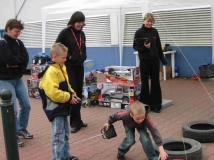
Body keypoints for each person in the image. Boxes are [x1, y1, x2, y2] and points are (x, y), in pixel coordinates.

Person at [39, 43, 79, 160]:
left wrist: (72, 93)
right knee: (58, 137)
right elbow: (54, 94)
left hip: (62, 106)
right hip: (55, 108)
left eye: (65, 57)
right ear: (54, 57)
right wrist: (69, 97)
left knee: (65, 134)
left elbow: (66, 84)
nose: (65, 59)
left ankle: (66, 155)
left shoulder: (61, 67)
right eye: (63, 57)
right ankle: (57, 158)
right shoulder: (51, 71)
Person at [0, 19, 33, 147]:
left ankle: (21, 128)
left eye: (19, 32)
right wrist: (14, 62)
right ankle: (12, 135)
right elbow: (8, 59)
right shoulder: (2, 44)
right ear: (8, 29)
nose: (18, 34)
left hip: (18, 79)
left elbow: (25, 58)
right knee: (11, 110)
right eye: (16, 31)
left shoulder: (19, 43)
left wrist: (15, 64)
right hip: (5, 81)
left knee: (26, 105)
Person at [55, 11, 87, 133]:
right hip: (69, 67)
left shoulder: (82, 34)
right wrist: (68, 57)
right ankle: (74, 122)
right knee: (73, 92)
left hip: (80, 66)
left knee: (79, 92)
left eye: (82, 22)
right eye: (78, 22)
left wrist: (83, 56)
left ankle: (78, 119)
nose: (80, 24)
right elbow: (57, 46)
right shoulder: (65, 33)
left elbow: (83, 48)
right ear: (73, 22)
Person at [103, 101, 168, 160]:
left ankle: (153, 158)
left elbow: (154, 131)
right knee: (130, 140)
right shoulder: (125, 114)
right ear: (131, 115)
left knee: (145, 139)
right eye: (138, 119)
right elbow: (115, 116)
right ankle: (121, 152)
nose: (140, 120)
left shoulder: (145, 119)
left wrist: (161, 149)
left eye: (142, 118)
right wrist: (108, 122)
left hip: (141, 126)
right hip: (128, 124)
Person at [133, 13, 167, 113]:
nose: (149, 23)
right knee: (145, 83)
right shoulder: (138, 32)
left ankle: (156, 105)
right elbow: (135, 46)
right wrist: (144, 48)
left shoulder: (155, 31)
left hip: (155, 60)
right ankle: (145, 104)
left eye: (151, 21)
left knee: (155, 81)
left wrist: (163, 60)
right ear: (144, 21)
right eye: (148, 21)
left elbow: (158, 46)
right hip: (144, 60)